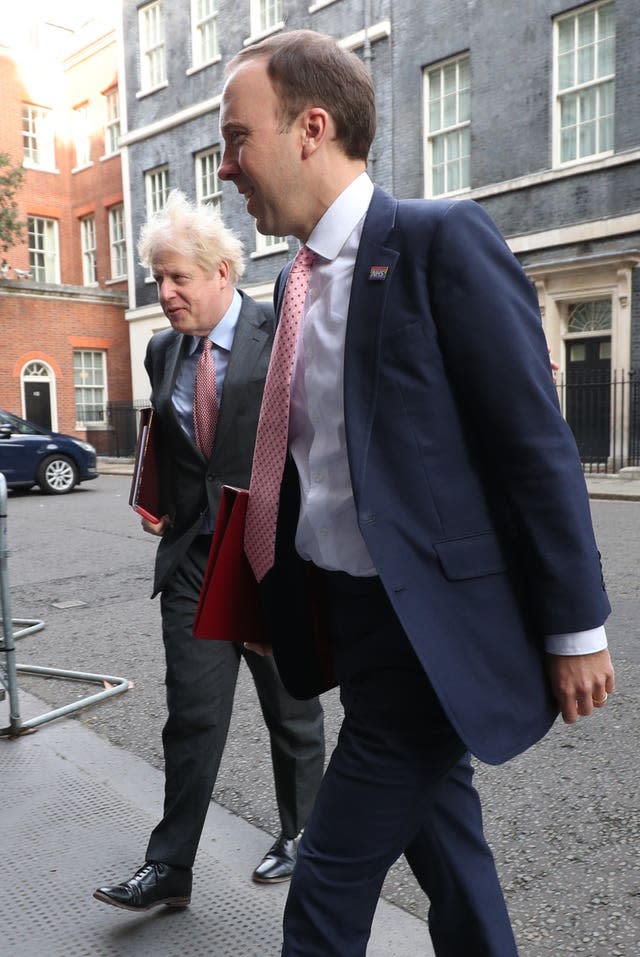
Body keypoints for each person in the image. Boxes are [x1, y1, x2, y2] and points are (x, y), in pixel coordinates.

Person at [217, 30, 615, 957]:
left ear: (311, 128)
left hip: (432, 628)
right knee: (447, 845)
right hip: (352, 613)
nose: (229, 169)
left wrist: (577, 627)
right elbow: (311, 463)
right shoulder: (293, 284)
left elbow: (533, 444)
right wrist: (276, 591)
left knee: (327, 880)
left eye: (239, 140)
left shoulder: (440, 241)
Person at [93, 190, 324, 912]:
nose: (164, 294)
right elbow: (171, 433)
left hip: (268, 556)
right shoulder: (163, 349)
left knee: (292, 713)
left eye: (177, 278)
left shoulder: (280, 331)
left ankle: (303, 836)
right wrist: (157, 498)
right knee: (191, 713)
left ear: (223, 272)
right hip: (195, 557)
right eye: (157, 279)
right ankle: (170, 868)